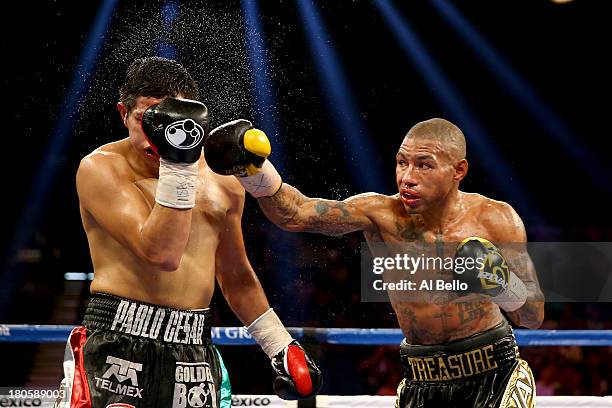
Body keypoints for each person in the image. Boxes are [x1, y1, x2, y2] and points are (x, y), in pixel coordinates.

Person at [204, 117, 545, 407]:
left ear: (459, 170)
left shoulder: (496, 219)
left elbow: (532, 315)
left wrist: (499, 282)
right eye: (401, 163)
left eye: (423, 165)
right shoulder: (381, 215)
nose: (407, 177)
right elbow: (296, 213)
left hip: (495, 372)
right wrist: (254, 171)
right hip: (421, 379)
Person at [55, 57, 321, 408]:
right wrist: (178, 162)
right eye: (147, 120)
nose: (160, 135)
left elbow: (235, 276)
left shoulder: (223, 181)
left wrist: (279, 344)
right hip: (117, 340)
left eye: (171, 123)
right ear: (124, 114)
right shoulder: (101, 169)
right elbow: (162, 253)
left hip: (193, 349)